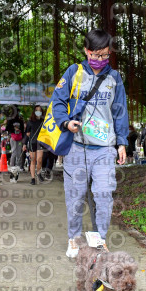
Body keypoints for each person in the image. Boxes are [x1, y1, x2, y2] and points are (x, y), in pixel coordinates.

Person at [51, 29, 128, 258]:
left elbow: (120, 111)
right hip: (76, 146)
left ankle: (99, 239)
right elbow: (58, 101)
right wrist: (65, 123)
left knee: (103, 194)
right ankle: (74, 238)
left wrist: (122, 143)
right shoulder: (74, 72)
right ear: (86, 51)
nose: (100, 60)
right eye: (96, 55)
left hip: (104, 148)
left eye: (105, 55)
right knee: (75, 196)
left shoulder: (114, 78)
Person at [25, 105, 45, 185]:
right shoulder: (30, 122)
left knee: (39, 160)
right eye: (37, 110)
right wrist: (24, 144)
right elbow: (27, 134)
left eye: (40, 110)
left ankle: (39, 173)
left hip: (40, 143)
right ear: (34, 111)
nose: (38, 111)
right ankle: (33, 178)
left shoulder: (43, 121)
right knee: (32, 160)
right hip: (32, 143)